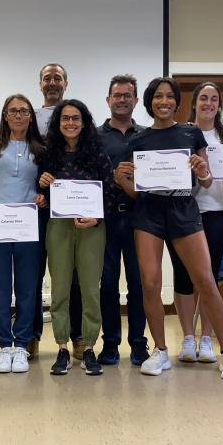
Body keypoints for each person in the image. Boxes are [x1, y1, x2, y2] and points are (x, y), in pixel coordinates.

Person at [115, 77, 223, 380]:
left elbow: (208, 180)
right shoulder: (138, 139)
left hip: (184, 209)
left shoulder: (191, 132)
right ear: (149, 102)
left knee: (205, 279)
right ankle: (160, 351)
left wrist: (202, 171)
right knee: (149, 282)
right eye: (158, 96)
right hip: (148, 213)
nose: (164, 101)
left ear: (176, 101)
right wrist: (122, 181)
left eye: (170, 96)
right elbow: (137, 192)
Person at [38, 99, 115, 377]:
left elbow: (109, 191)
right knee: (59, 289)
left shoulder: (97, 153)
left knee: (90, 290)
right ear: (58, 123)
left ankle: (89, 348)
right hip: (58, 227)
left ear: (84, 123)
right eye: (65, 118)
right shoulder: (48, 154)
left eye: (76, 118)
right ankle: (61, 348)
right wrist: (42, 186)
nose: (70, 123)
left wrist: (98, 217)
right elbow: (41, 196)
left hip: (92, 228)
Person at [0, 94, 46, 373]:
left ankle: (23, 345)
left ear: (30, 116)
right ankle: (5, 345)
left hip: (28, 224)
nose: (18, 115)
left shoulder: (41, 147)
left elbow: (46, 184)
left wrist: (43, 197)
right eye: (12, 111)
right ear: (4, 115)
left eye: (23, 111)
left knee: (27, 287)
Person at [166, 82, 223, 365]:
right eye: (203, 98)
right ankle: (187, 337)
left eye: (214, 99)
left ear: (219, 105)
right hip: (181, 213)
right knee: (182, 276)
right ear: (194, 103)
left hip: (214, 214)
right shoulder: (180, 134)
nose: (209, 103)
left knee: (210, 278)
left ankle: (207, 339)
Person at [96, 74, 149, 366]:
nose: (122, 100)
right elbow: (87, 175)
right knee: (107, 285)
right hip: (105, 219)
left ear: (135, 101)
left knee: (139, 285)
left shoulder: (147, 135)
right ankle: (111, 344)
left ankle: (139, 344)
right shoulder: (94, 136)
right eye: (117, 95)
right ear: (108, 100)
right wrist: (112, 179)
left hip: (139, 219)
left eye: (127, 95)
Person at [31, 63, 83, 360]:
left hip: (71, 209)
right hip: (37, 207)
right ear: (40, 84)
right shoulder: (29, 118)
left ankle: (76, 337)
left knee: (73, 277)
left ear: (66, 83)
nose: (52, 83)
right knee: (34, 274)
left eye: (57, 78)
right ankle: (33, 335)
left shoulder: (78, 118)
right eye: (47, 79)